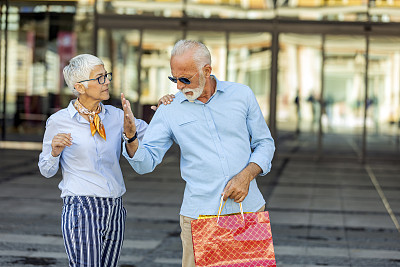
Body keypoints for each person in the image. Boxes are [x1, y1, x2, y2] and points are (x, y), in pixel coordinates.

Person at [121, 40, 275, 267]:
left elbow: (265, 143)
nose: (179, 87)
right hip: (200, 216)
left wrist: (246, 176)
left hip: (247, 210)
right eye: (174, 79)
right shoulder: (169, 109)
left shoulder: (241, 95)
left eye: (185, 79)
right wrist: (132, 137)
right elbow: (145, 163)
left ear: (207, 71)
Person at [37, 54, 172, 267]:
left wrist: (165, 110)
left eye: (106, 75)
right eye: (100, 78)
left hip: (115, 207)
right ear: (79, 87)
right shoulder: (59, 121)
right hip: (82, 206)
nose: (107, 81)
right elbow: (46, 169)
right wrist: (54, 152)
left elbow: (152, 134)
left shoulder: (116, 116)